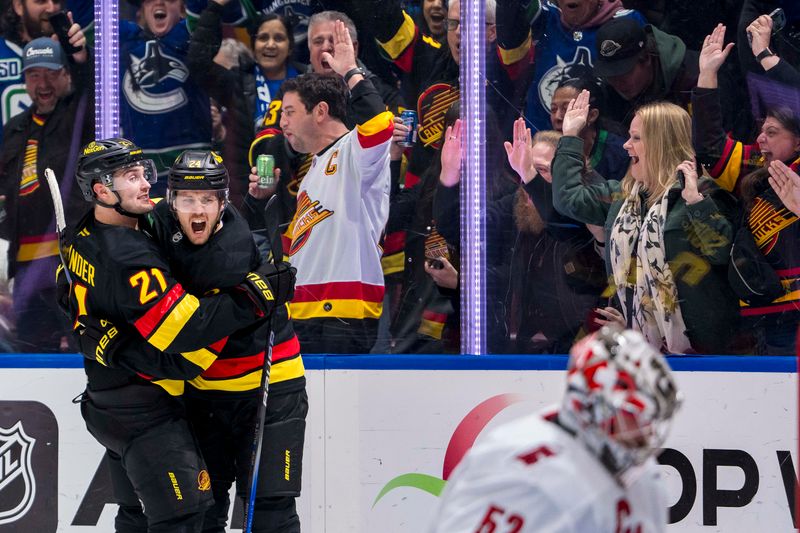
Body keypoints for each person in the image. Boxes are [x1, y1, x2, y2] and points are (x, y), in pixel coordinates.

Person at [61, 137, 293, 532]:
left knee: (137, 515)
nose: (145, 183)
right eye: (131, 177)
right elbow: (185, 331)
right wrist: (255, 296)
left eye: (144, 173)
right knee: (184, 518)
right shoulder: (131, 257)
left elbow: (67, 299)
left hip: (106, 402)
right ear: (101, 190)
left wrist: (99, 341)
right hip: (144, 408)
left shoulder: (80, 235)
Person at [137, 151, 307, 532]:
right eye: (187, 200)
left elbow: (196, 323)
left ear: (223, 203)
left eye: (208, 201)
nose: (198, 211)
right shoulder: (157, 223)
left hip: (270, 386)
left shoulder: (231, 244)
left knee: (270, 509)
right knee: (201, 508)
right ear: (170, 200)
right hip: (204, 392)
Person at [429, 325, 681, 532]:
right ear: (592, 406)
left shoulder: (644, 474)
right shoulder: (518, 474)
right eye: (633, 416)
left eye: (649, 418)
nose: (646, 432)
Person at [552, 90, 739, 354]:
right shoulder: (622, 197)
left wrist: (696, 205)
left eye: (636, 138)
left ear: (662, 144)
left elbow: (722, 254)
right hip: (643, 353)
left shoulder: (701, 194)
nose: (626, 145)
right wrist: (571, 137)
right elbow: (567, 199)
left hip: (704, 355)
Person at [253, 21, 393, 353]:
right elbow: (295, 247)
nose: (282, 122)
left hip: (342, 312)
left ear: (320, 111)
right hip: (304, 312)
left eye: (289, 112)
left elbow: (379, 125)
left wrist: (350, 71)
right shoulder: (314, 167)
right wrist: (259, 202)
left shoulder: (355, 153)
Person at [693, 23, 800, 354]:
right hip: (756, 315)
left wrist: (765, 56)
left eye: (772, 132)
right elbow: (711, 150)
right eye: (761, 131)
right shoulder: (758, 167)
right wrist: (707, 77)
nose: (760, 139)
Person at [0, 32, 90, 353]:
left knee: (83, 350)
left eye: (52, 73)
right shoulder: (14, 128)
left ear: (66, 75)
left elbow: (92, 87)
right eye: (34, 74)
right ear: (24, 80)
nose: (43, 82)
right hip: (25, 269)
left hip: (71, 264)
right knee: (31, 355)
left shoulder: (80, 115)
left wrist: (82, 57)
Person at [188, 3, 306, 204]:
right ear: (253, 45)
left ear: (290, 47)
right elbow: (199, 64)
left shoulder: (307, 83)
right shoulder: (237, 83)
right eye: (263, 38)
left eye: (278, 38)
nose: (270, 45)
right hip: (248, 197)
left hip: (300, 191)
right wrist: (215, 8)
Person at [495, 0, 645, 132]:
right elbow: (511, 15)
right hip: (540, 144)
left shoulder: (626, 22)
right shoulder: (546, 17)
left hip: (602, 149)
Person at [120, 0, 212, 193]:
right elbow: (88, 16)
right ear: (143, 8)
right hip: (139, 174)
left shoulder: (191, 35)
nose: (159, 2)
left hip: (194, 171)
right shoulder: (124, 41)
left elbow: (200, 9)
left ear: (181, 6)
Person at [592, 17, 699, 127]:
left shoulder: (695, 79)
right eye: (610, 74)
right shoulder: (609, 90)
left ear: (646, 58)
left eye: (624, 73)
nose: (617, 83)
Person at [549, 75, 628, 181]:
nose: (557, 117)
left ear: (592, 115)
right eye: (553, 110)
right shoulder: (547, 149)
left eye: (567, 109)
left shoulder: (620, 154)